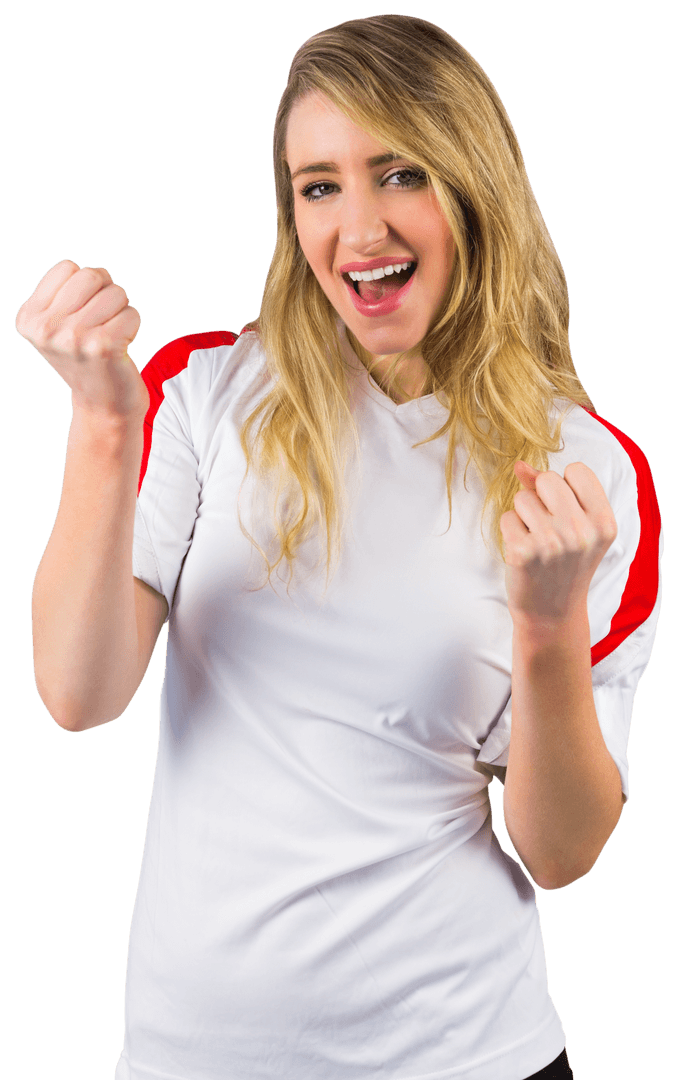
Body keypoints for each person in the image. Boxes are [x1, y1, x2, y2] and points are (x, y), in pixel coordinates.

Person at [18, 14, 662, 1080]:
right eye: (318, 185)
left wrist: (548, 625)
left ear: (474, 188)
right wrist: (99, 422)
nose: (357, 227)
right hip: (193, 1060)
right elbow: (79, 694)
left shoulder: (588, 471)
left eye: (398, 171)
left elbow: (560, 852)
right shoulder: (201, 393)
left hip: (468, 1058)